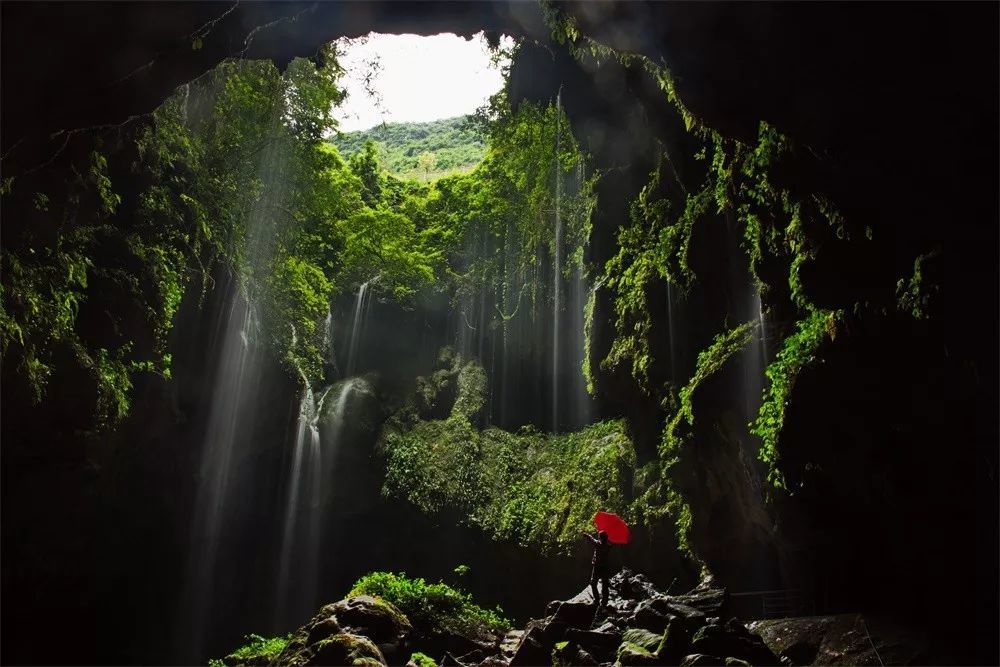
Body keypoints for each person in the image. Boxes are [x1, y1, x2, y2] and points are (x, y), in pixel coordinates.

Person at [582, 530, 611, 607]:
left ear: (600, 538)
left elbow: (591, 539)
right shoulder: (609, 545)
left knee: (593, 583)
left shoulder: (598, 544)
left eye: (599, 536)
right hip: (605, 567)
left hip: (597, 567)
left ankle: (597, 599)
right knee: (605, 583)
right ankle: (605, 600)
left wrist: (585, 534)